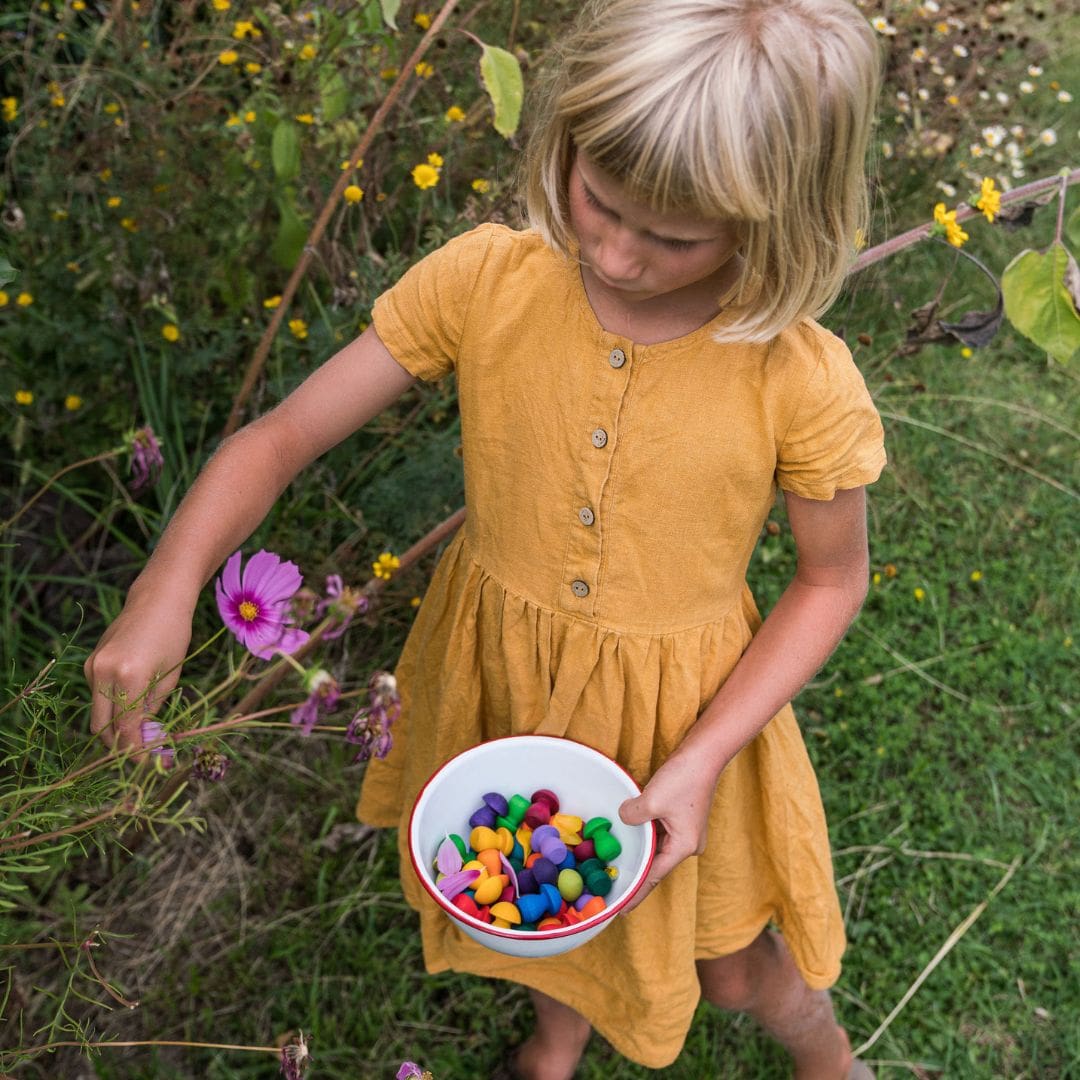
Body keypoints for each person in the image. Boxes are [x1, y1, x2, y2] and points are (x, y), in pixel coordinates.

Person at [85, 0, 886, 1075]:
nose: (617, 252)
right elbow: (277, 441)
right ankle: (554, 1043)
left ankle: (826, 1052)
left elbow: (830, 581)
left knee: (727, 959)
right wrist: (166, 586)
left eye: (674, 237)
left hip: (687, 716)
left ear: (773, 222)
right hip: (499, 676)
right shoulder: (487, 280)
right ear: (563, 140)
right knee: (534, 898)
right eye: (597, 200)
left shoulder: (797, 375)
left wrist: (700, 760)